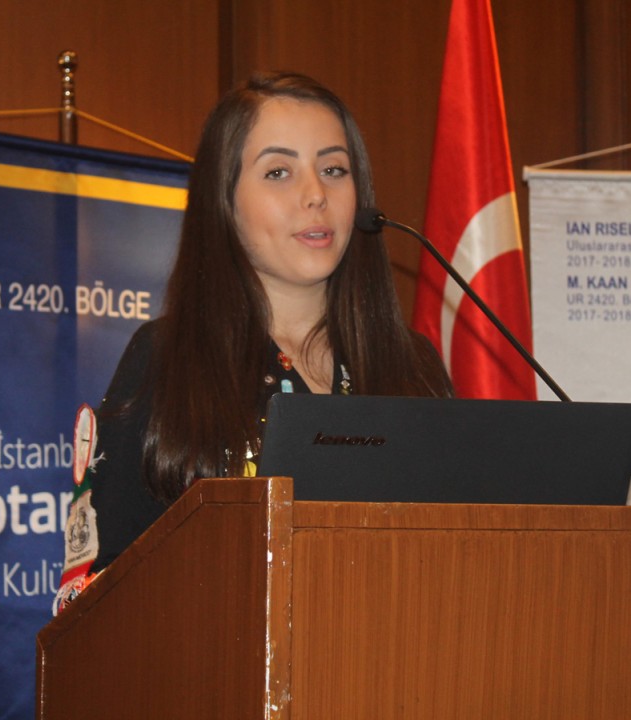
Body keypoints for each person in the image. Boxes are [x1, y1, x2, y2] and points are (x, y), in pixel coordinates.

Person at [54, 71, 453, 612]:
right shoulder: (168, 360)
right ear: (225, 200)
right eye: (279, 172)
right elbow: (104, 591)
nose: (316, 195)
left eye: (334, 169)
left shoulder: (413, 366)